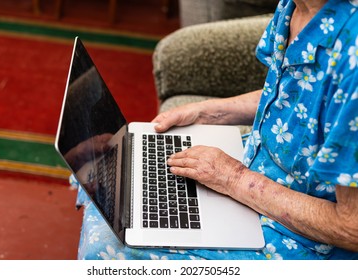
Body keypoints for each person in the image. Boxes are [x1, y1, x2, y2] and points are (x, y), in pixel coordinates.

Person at [74, 0, 358, 260]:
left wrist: (233, 178)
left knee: (105, 251)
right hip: (259, 170)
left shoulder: (352, 54)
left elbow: (352, 228)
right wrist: (208, 110)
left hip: (306, 238)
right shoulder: (296, 5)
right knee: (114, 171)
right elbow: (299, 96)